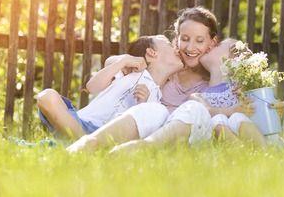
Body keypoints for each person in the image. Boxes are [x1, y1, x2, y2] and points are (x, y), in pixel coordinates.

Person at [67, 6, 220, 153]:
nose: (190, 47)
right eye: (185, 39)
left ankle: (141, 147)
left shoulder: (212, 79)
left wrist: (214, 66)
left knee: (195, 108)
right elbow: (113, 63)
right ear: (177, 39)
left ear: (212, 42)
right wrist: (125, 59)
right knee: (156, 110)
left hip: (178, 137)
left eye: (199, 41)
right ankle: (92, 144)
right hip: (144, 128)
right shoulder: (168, 66)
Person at [37, 35, 184, 141]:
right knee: (46, 96)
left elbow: (137, 126)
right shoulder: (128, 72)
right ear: (152, 53)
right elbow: (92, 87)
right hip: (79, 122)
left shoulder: (157, 103)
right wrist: (124, 60)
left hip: (107, 136)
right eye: (169, 45)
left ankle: (82, 143)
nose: (175, 48)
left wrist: (142, 104)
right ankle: (84, 142)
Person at [188, 38, 268, 148]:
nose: (210, 46)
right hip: (215, 141)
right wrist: (232, 110)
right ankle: (243, 154)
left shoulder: (241, 87)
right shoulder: (197, 96)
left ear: (233, 57)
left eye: (218, 45)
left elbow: (264, 104)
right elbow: (207, 111)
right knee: (217, 119)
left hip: (245, 129)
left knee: (237, 117)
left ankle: (265, 152)